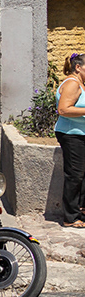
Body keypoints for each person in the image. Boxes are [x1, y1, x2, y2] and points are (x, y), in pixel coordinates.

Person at [55, 54, 85, 228]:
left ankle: (80, 209)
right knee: (75, 175)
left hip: (79, 133)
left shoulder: (79, 83)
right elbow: (64, 109)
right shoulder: (72, 83)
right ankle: (70, 217)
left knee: (81, 174)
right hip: (72, 134)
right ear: (78, 67)